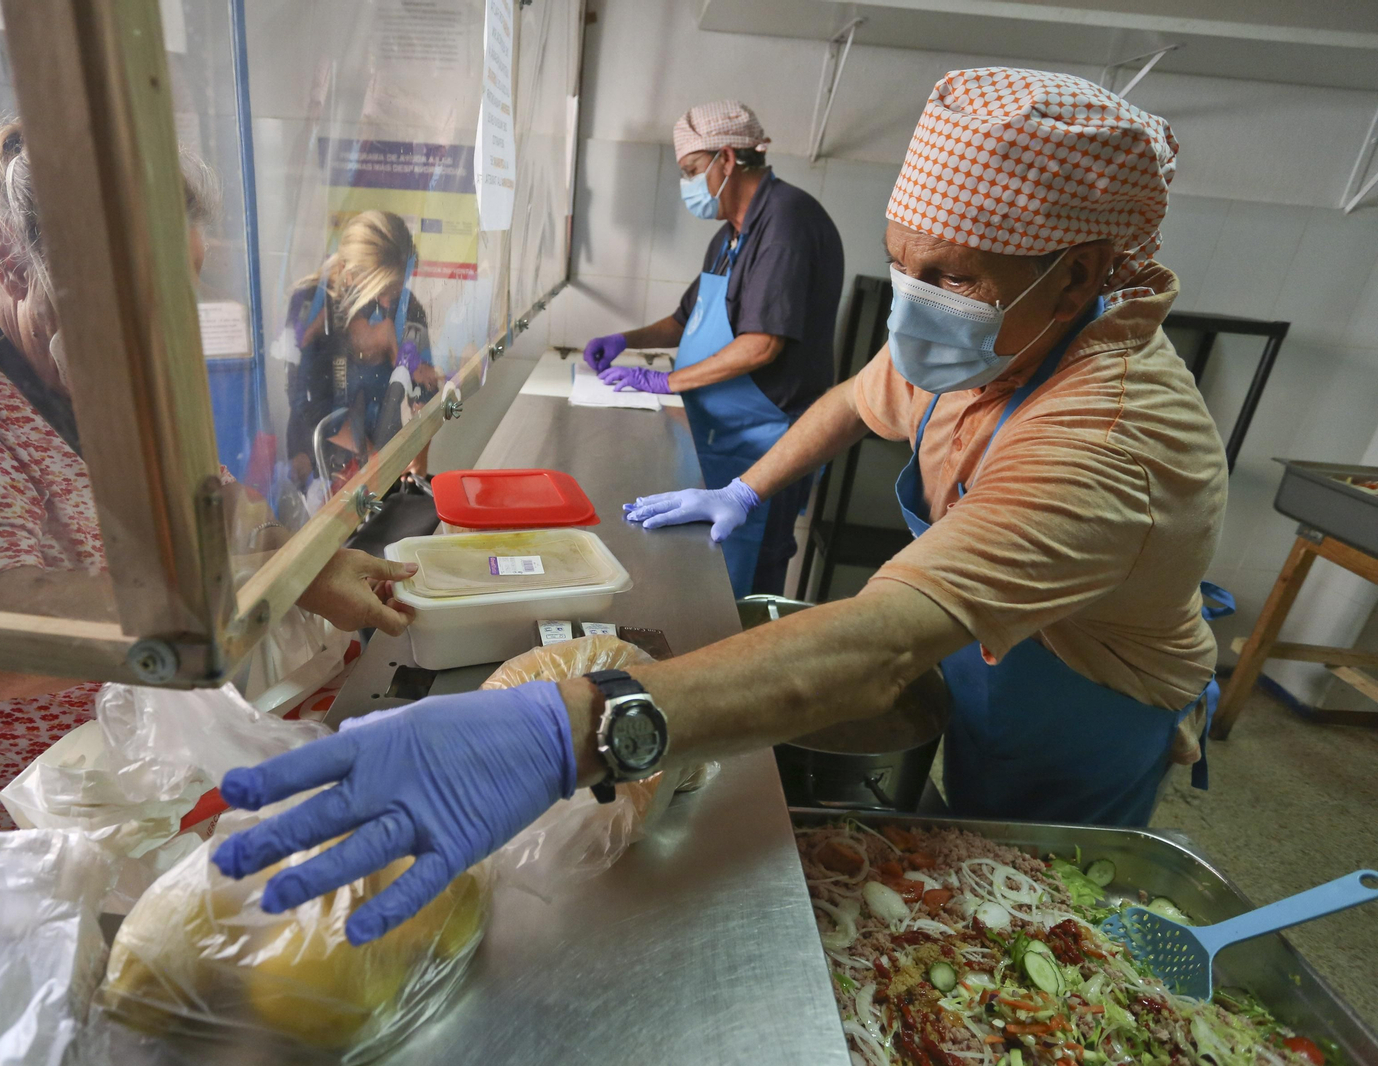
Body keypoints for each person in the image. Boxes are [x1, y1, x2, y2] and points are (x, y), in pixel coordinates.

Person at [207, 68, 1231, 947]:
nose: (914, 300)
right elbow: (847, 400)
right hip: (981, 652)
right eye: (904, 265)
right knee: (949, 858)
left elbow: (874, 646)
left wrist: (573, 728)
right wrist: (743, 486)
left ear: (1081, 276)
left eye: (951, 276)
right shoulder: (993, 342)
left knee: (1026, 916)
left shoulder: (1102, 441)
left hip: (1081, 703)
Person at [0, 120, 415, 846]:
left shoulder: (101, 384)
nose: (158, 331)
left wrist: (309, 561)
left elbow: (224, 510)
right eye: (132, 294)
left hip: (116, 807)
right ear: (12, 262)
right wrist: (264, 585)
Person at [582, 101, 843, 598]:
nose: (688, 186)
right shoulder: (730, 236)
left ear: (727, 158)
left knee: (745, 576)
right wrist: (625, 341)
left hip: (768, 441)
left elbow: (761, 345)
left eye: (692, 171)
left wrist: (665, 381)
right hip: (721, 436)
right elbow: (687, 319)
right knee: (711, 571)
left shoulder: (786, 222)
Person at [285, 210, 440, 492]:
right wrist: (374, 459)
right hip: (324, 460)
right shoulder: (312, 303)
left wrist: (419, 448)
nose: (386, 300)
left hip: (386, 457)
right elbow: (305, 401)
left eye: (395, 288)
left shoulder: (406, 305)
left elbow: (424, 387)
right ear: (346, 271)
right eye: (379, 289)